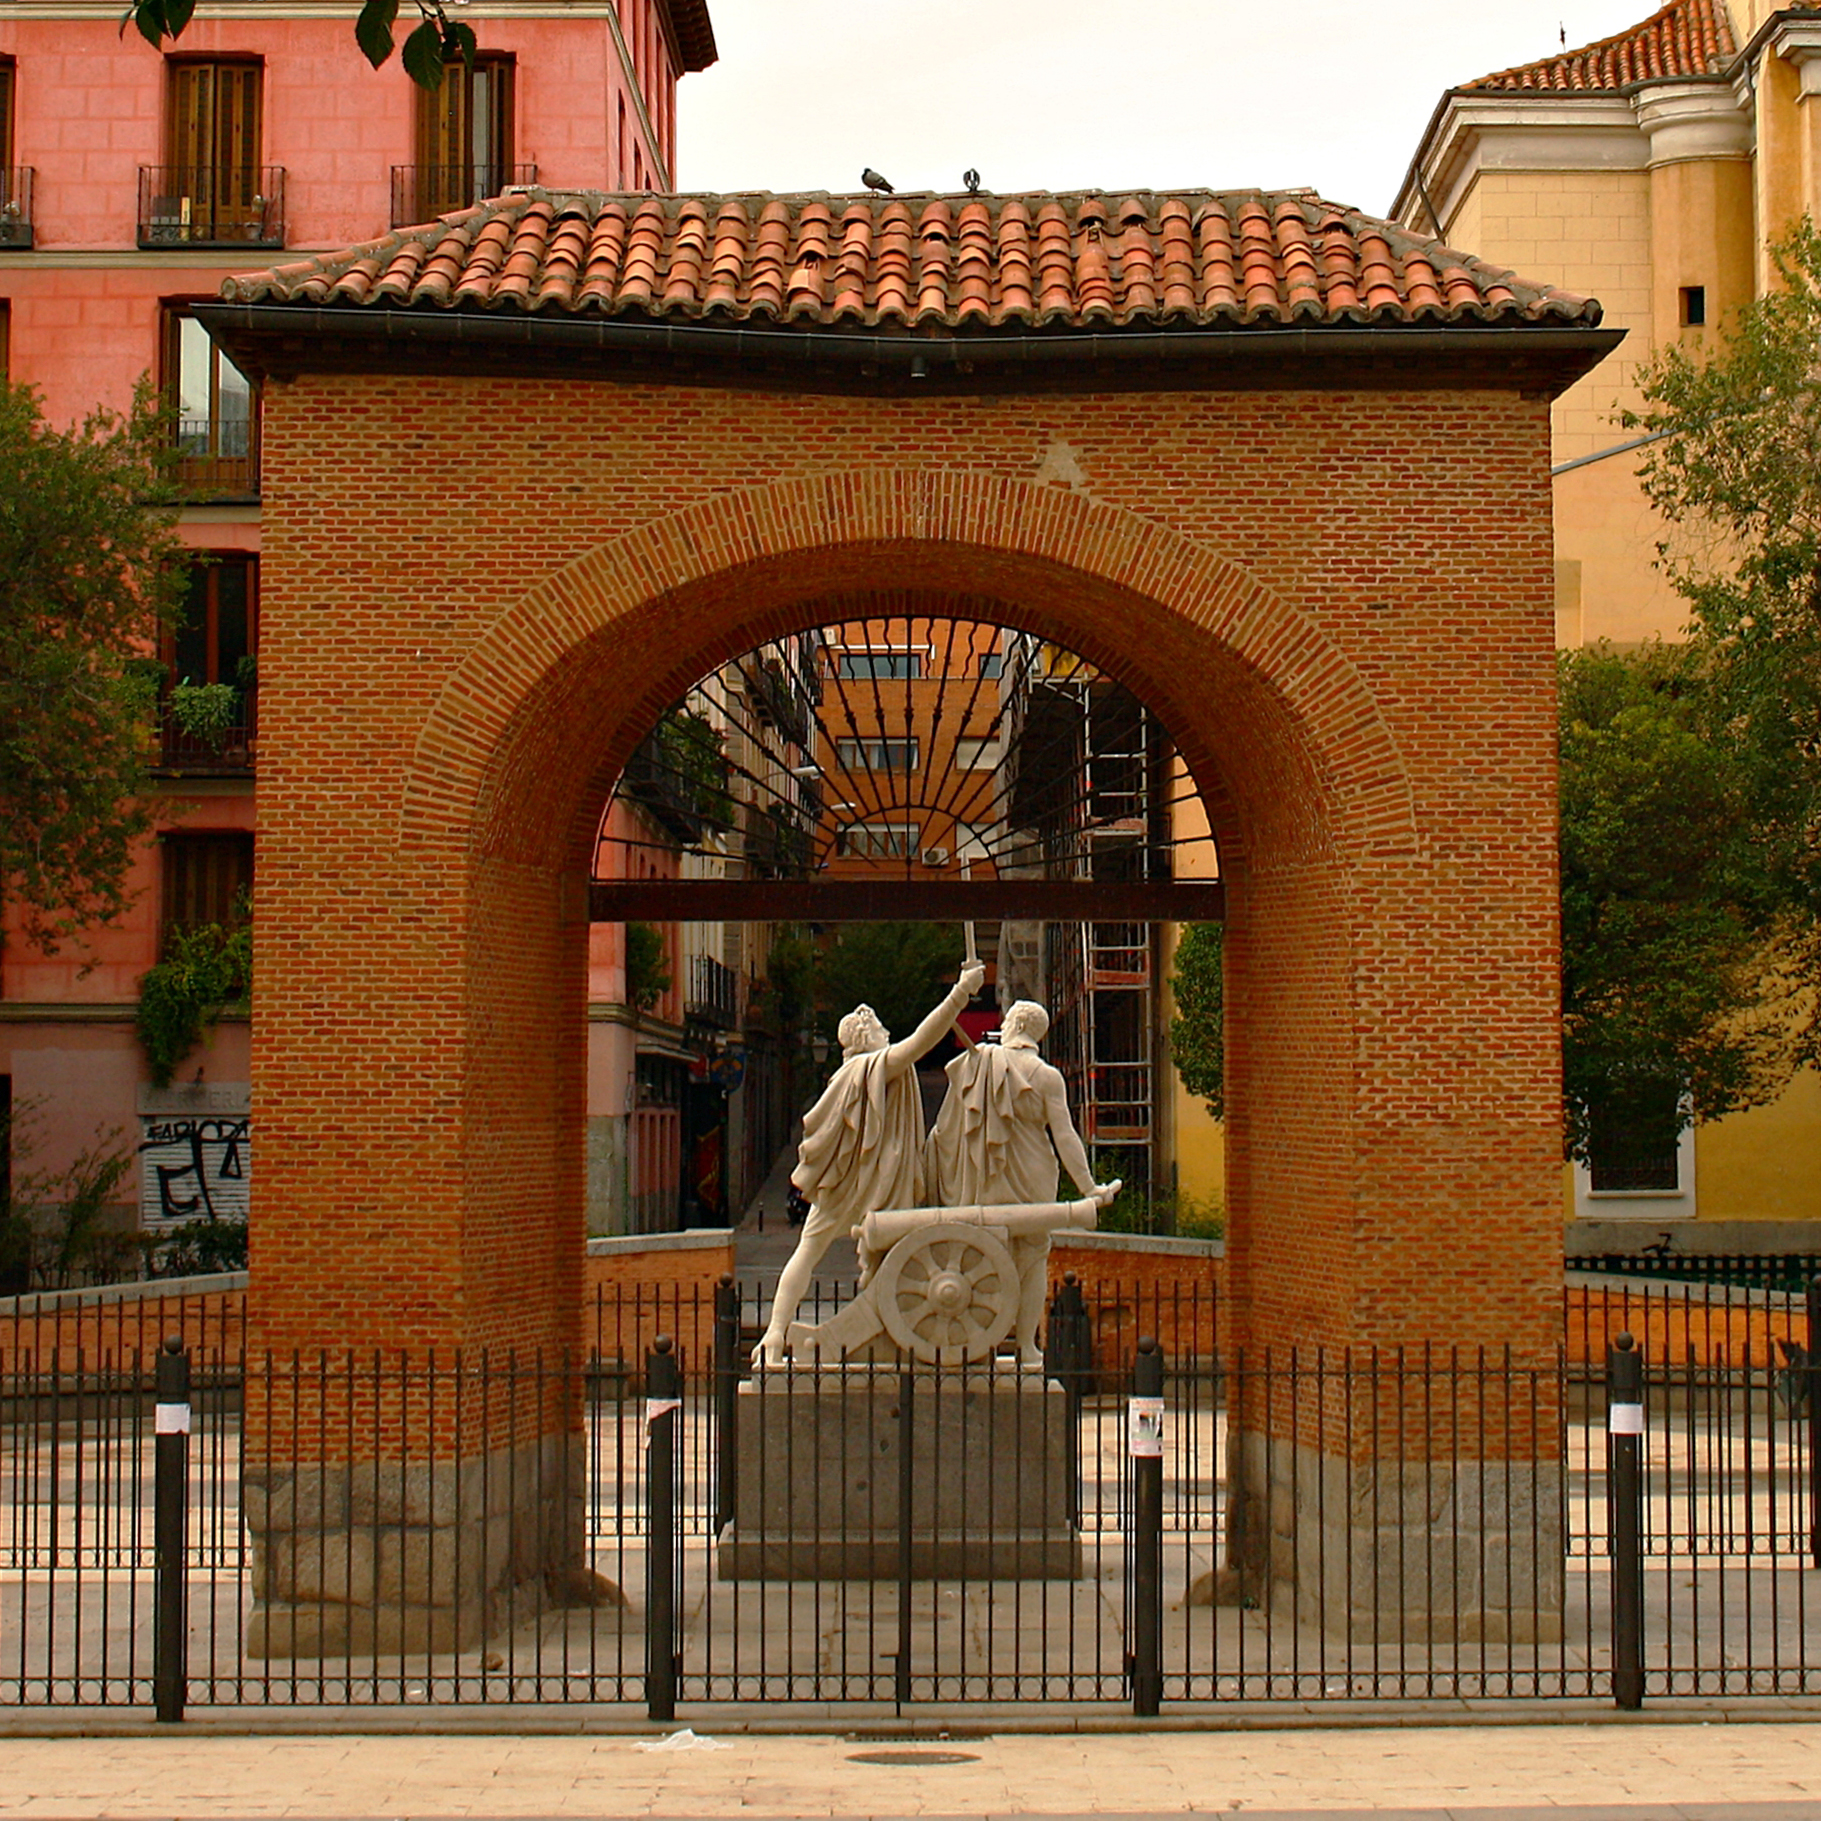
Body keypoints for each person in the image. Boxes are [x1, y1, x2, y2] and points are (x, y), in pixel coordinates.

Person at [756, 960, 986, 1365]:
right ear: (867, 1037)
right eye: (880, 1029)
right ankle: (885, 1334)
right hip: (874, 1184)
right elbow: (921, 1041)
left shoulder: (847, 1073)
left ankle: (775, 1333)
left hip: (843, 1184)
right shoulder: (874, 1065)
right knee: (887, 1253)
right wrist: (960, 994)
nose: (887, 1033)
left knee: (808, 1252)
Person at [926, 1000, 1117, 1364]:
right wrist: (1088, 1187)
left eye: (1006, 1021)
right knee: (1032, 1263)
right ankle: (1027, 1347)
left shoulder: (979, 1062)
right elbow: (1065, 1136)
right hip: (1035, 1173)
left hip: (985, 1174)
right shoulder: (1046, 1076)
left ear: (1014, 1026)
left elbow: (948, 1126)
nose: (1003, 1026)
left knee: (978, 1259)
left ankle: (978, 1346)